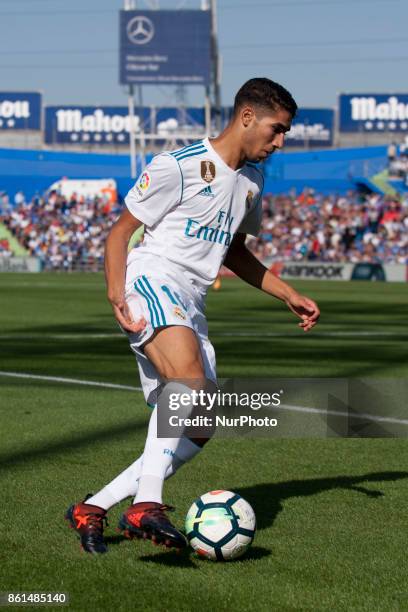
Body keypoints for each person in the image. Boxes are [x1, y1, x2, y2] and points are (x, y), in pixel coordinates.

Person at [65, 78, 320, 554]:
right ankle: (147, 504)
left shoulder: (253, 180)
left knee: (201, 424)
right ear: (247, 117)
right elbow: (120, 234)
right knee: (191, 384)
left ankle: (92, 508)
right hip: (152, 277)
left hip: (192, 299)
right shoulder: (178, 166)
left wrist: (287, 293)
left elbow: (235, 253)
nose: (280, 142)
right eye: (277, 129)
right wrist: (115, 294)